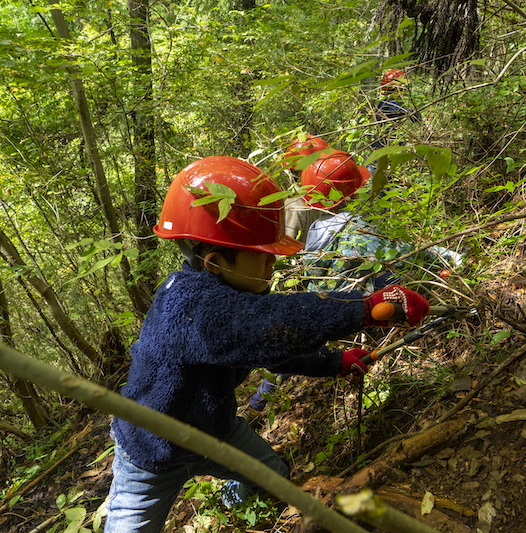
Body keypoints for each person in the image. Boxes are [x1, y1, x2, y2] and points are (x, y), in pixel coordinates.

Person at [104, 156, 430, 533]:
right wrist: (365, 307)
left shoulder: (222, 297)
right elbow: (270, 327)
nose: (272, 266)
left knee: (271, 475)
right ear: (214, 262)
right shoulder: (191, 307)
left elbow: (268, 349)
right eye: (262, 258)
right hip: (150, 452)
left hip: (214, 432)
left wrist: (335, 363)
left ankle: (231, 511)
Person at [245, 150, 460, 420]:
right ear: (355, 193)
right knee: (399, 278)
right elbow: (392, 258)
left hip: (323, 300)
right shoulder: (356, 226)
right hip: (357, 300)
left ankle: (258, 401)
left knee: (297, 344)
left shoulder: (315, 230)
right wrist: (441, 258)